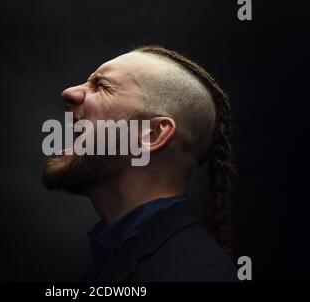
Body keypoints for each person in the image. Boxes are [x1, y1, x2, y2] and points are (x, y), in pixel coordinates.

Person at [42, 45, 237, 281]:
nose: (69, 92)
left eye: (101, 86)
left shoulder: (191, 274)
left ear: (152, 134)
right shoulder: (114, 255)